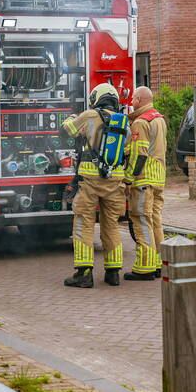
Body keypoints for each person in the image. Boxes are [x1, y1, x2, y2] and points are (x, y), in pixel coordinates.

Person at [59, 83, 127, 288]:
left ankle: (84, 273)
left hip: (90, 180)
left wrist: (71, 117)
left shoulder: (89, 116)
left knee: (83, 223)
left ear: (96, 98)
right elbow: (127, 151)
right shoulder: (124, 122)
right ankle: (113, 273)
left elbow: (67, 131)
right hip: (115, 180)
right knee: (111, 224)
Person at [123, 86, 167, 281]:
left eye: (133, 98)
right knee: (155, 221)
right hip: (158, 178)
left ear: (140, 100)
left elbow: (139, 155)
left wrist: (128, 179)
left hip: (143, 179)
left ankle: (145, 267)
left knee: (141, 220)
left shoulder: (140, 123)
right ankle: (159, 264)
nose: (131, 101)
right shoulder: (159, 119)